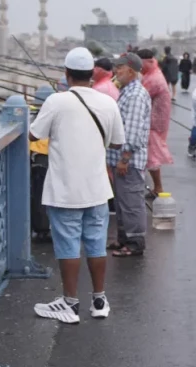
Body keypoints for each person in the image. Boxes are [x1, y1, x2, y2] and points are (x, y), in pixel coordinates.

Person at [29, 47, 126, 323]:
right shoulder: (108, 103)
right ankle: (99, 300)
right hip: (97, 188)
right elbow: (118, 142)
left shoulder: (56, 102)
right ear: (93, 75)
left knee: (68, 245)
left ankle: (70, 304)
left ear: (67, 74)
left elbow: (35, 133)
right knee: (96, 244)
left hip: (65, 189)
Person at [108, 53, 151, 257]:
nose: (116, 71)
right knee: (122, 202)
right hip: (121, 159)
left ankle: (135, 243)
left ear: (131, 71)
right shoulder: (127, 91)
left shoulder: (134, 95)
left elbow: (132, 132)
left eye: (120, 68)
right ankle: (123, 239)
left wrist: (125, 158)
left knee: (132, 201)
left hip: (129, 160)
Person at [138, 48, 173, 201]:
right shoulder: (153, 73)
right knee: (151, 155)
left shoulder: (153, 79)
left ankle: (158, 188)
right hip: (156, 120)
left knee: (152, 157)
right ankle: (157, 187)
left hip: (154, 121)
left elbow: (139, 95)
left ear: (148, 62)